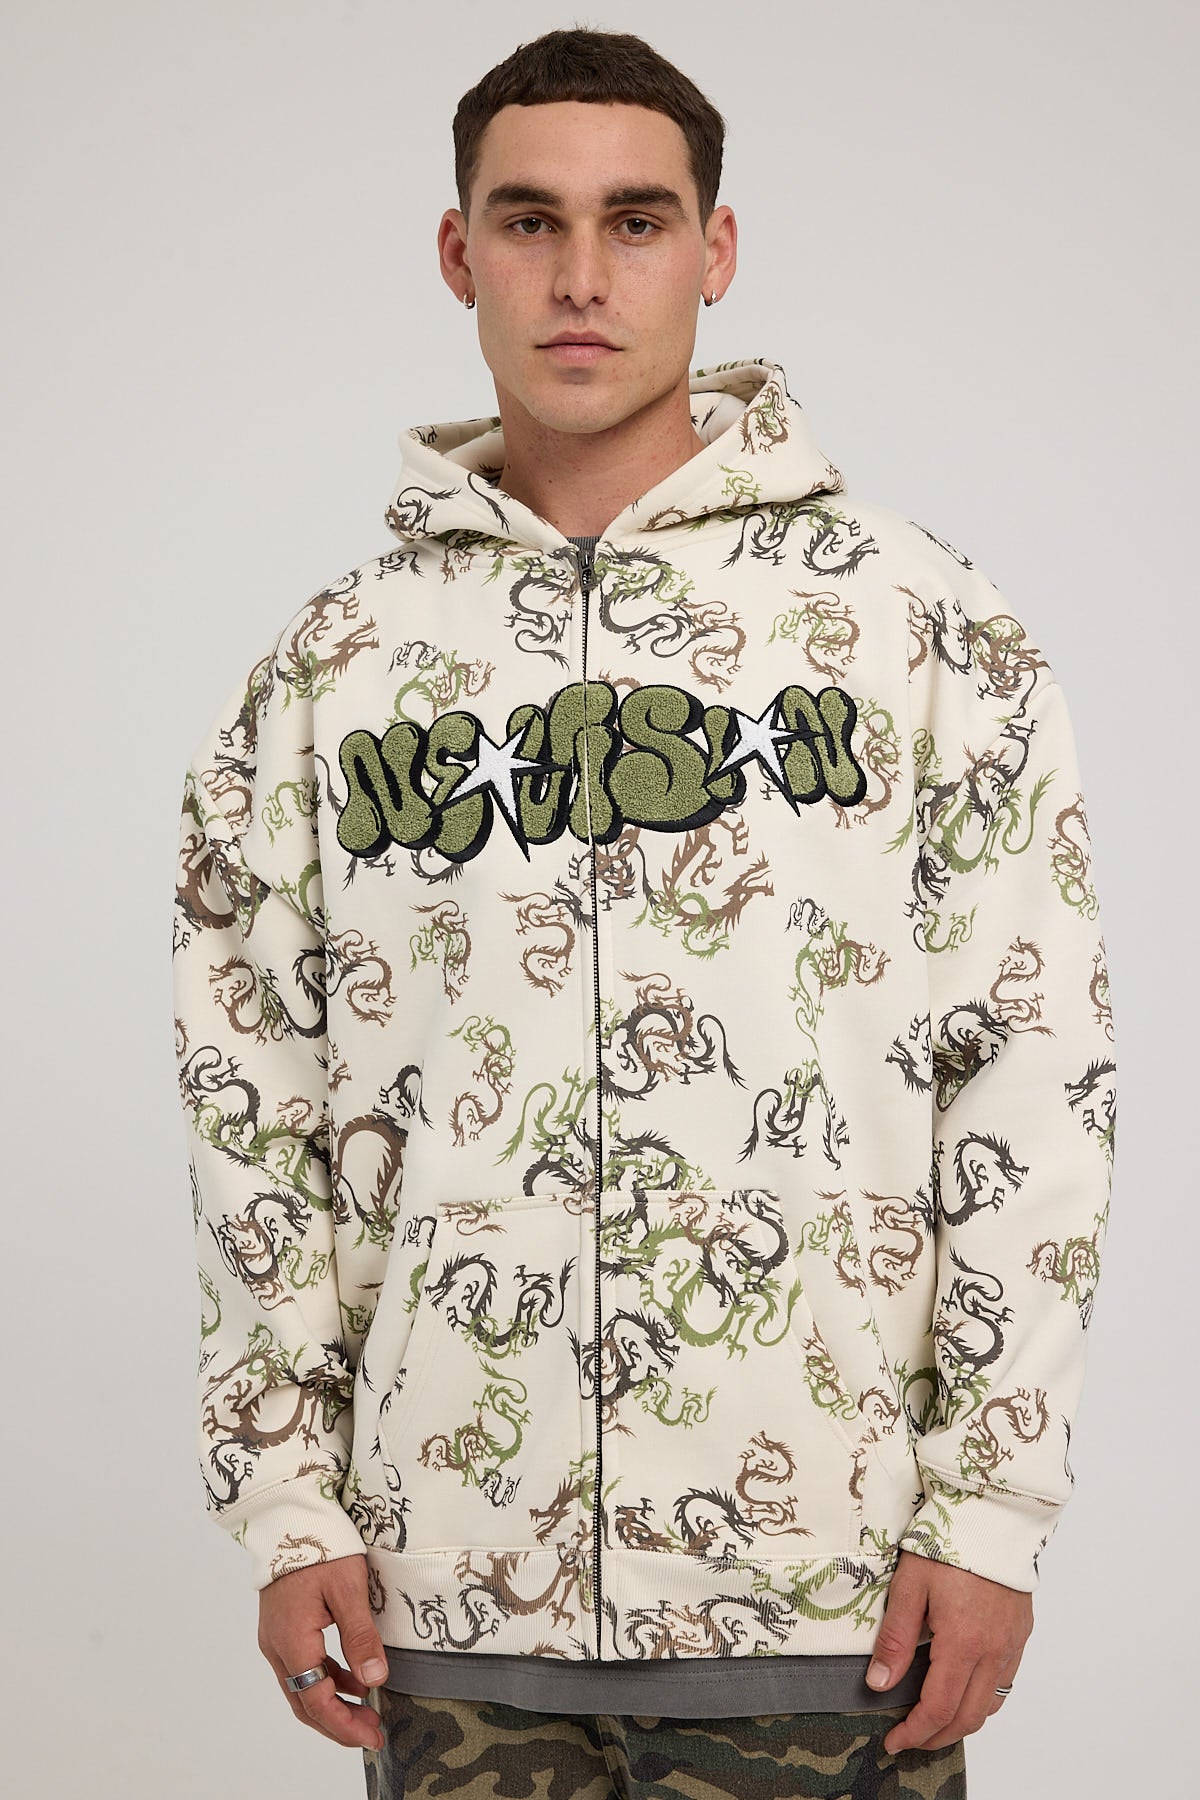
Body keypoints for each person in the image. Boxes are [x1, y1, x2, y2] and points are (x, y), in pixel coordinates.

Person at [171, 25, 1117, 1800]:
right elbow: (255, 1101)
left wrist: (990, 1510)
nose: (582, 279)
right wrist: (287, 1499)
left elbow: (1033, 1075)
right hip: (448, 1595)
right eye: (529, 221)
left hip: (832, 1602)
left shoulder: (918, 626)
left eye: (637, 220)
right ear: (458, 251)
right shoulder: (333, 666)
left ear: (717, 248)